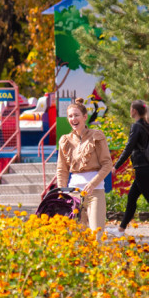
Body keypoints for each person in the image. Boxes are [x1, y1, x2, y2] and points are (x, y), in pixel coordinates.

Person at [106, 100, 149, 239]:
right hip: (146, 167)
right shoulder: (148, 126)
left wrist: (116, 166)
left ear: (134, 111)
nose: (130, 111)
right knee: (132, 197)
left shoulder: (137, 126)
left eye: (131, 109)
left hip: (142, 168)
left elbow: (129, 148)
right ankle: (121, 229)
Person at [56, 97, 113, 231]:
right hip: (74, 193)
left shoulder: (96, 136)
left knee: (96, 234)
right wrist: (62, 192)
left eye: (76, 115)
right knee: (78, 236)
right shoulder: (65, 140)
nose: (73, 119)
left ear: (85, 117)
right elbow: (62, 169)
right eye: (70, 116)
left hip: (95, 191)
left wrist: (93, 183)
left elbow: (107, 164)